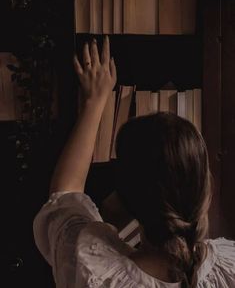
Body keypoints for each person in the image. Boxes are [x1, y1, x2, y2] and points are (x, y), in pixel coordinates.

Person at [33, 36, 235, 288]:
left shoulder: (95, 273)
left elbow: (64, 196)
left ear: (123, 199)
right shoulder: (229, 270)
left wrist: (94, 101)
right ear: (205, 190)